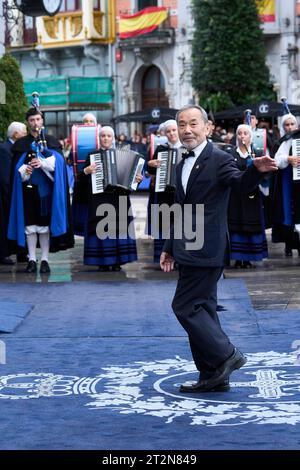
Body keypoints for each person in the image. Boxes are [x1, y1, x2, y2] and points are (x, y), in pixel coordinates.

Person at [160, 105, 277, 393]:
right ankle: (213, 375)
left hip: (207, 248)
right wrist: (169, 246)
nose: (187, 130)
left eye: (193, 124)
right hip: (186, 245)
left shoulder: (220, 159)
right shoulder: (178, 163)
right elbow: (179, 209)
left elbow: (239, 184)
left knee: (184, 306)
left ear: (207, 128)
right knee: (205, 309)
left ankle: (226, 355)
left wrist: (255, 172)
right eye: (182, 124)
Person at [8, 107, 74, 274]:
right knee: (29, 226)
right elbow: (16, 172)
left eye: (38, 119)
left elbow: (59, 166)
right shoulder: (21, 145)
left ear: (42, 121)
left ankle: (44, 260)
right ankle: (31, 259)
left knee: (44, 227)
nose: (35, 123)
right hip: (28, 192)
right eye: (31, 120)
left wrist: (43, 164)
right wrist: (25, 171)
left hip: (46, 193)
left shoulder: (51, 142)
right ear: (27, 122)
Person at [79, 126, 141, 271]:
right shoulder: (92, 155)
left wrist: (136, 180)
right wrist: (86, 171)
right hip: (99, 199)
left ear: (113, 138)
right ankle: (102, 262)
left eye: (108, 136)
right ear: (99, 138)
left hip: (118, 199)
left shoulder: (125, 154)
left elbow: (131, 182)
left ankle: (118, 261)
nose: (105, 138)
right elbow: (81, 180)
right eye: (103, 136)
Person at [228, 124, 268, 268]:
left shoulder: (257, 153)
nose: (242, 136)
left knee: (252, 225)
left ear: (251, 137)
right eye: (239, 133)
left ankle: (250, 258)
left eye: (245, 133)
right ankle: (238, 258)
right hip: (236, 197)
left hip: (252, 197)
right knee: (236, 225)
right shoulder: (231, 154)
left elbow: (266, 176)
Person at [147, 119, 182, 262]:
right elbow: (151, 171)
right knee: (164, 225)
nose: (172, 133)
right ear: (165, 134)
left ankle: (181, 258)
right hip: (164, 194)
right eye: (168, 131)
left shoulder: (187, 148)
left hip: (181, 195)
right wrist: (150, 164)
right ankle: (165, 257)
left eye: (174, 130)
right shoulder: (161, 149)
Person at [272, 113, 300, 257]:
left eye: (292, 124)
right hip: (287, 181)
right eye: (287, 125)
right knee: (288, 212)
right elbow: (276, 160)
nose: (290, 127)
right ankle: (289, 244)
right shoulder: (282, 142)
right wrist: (288, 158)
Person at [0, 122, 27, 265]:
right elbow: (5, 177)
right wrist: (9, 197)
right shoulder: (5, 149)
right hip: (7, 195)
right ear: (16, 134)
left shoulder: (17, 148)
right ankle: (3, 254)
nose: (25, 135)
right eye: (24, 132)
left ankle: (21, 253)